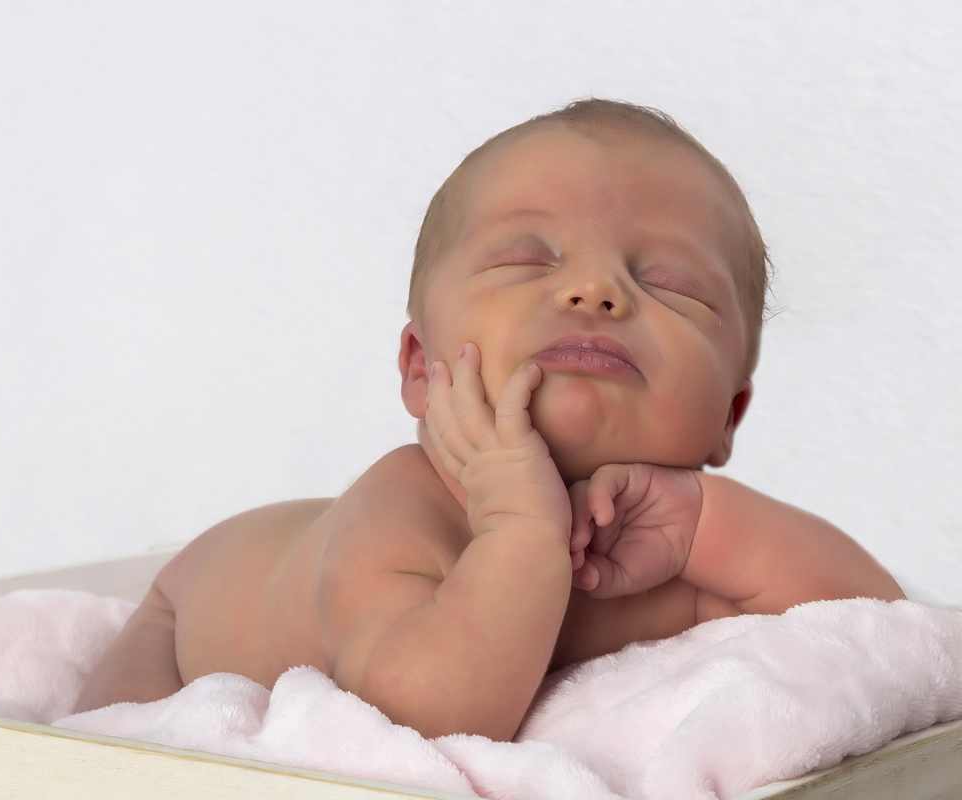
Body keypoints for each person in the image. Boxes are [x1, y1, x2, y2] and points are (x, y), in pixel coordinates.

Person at [73, 99, 904, 741]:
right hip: (185, 608)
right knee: (106, 747)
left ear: (728, 413)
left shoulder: (670, 548)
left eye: (671, 284)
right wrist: (518, 526)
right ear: (419, 368)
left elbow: (877, 640)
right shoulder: (403, 511)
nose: (596, 290)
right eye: (526, 259)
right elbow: (418, 717)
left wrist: (708, 528)